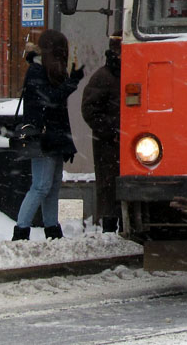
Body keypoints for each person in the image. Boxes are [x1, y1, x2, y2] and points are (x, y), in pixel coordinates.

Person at [13, 29, 84, 242]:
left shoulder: (47, 71)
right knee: (41, 186)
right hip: (43, 139)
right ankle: (21, 231)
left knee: (52, 186)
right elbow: (50, 100)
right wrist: (72, 83)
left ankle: (52, 229)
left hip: (53, 139)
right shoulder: (37, 71)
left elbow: (55, 106)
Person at [81, 32, 121, 233]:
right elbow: (89, 110)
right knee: (109, 188)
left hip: (119, 143)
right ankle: (109, 228)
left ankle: (116, 226)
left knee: (113, 187)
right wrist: (111, 131)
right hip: (109, 145)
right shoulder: (104, 77)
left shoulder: (117, 74)